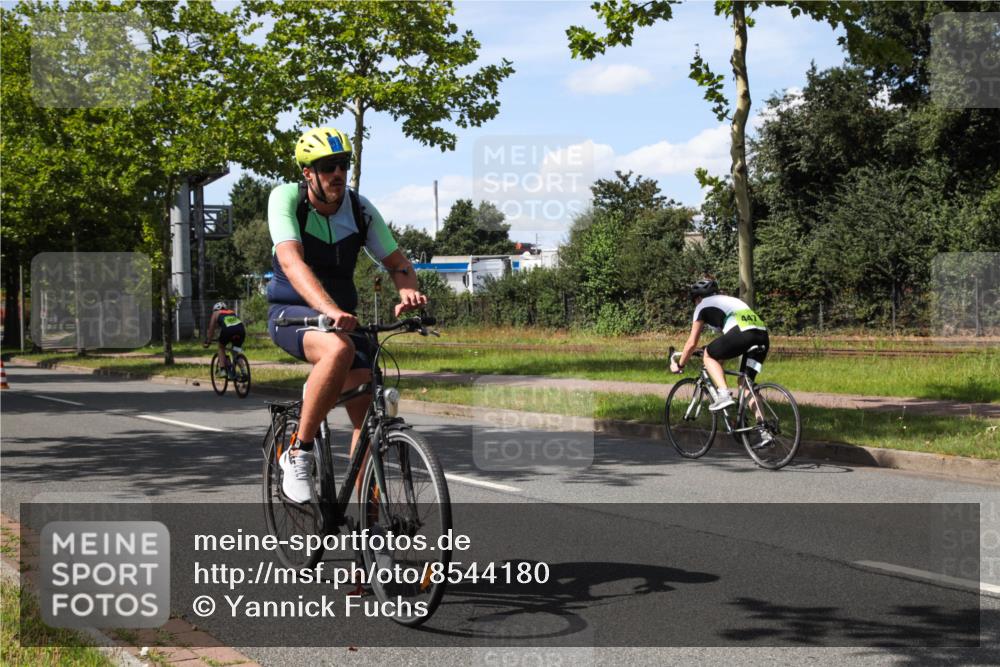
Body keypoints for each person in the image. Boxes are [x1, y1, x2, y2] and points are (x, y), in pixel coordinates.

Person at [267, 127, 427, 503]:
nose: (337, 173)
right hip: (292, 314)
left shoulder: (359, 209)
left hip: (341, 318)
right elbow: (291, 261)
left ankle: (372, 541)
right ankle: (299, 451)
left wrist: (407, 291)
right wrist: (329, 309)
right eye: (326, 167)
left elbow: (397, 261)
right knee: (337, 349)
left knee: (368, 423)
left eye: (342, 165)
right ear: (308, 173)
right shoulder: (286, 199)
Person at [670, 279, 769, 411]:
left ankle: (724, 394)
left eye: (694, 301)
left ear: (698, 298)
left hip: (742, 334)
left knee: (708, 356)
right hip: (762, 336)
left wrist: (680, 365)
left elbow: (691, 343)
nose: (695, 304)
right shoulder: (730, 300)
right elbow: (727, 341)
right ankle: (763, 428)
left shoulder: (701, 306)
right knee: (745, 384)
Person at [203, 302, 246, 380]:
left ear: (215, 309)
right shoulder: (231, 312)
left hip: (228, 331)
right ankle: (244, 372)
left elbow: (211, 329)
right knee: (235, 351)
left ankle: (222, 370)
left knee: (221, 347)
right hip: (241, 330)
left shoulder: (216, 313)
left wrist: (208, 341)